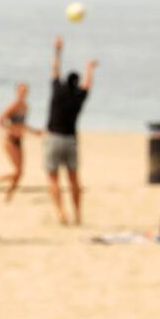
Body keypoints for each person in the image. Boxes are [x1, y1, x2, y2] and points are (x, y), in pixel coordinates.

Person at [44, 36, 96, 225]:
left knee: (53, 178)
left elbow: (54, 70)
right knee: (74, 179)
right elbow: (88, 84)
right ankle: (78, 214)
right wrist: (89, 68)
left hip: (54, 138)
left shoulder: (58, 91)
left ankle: (60, 213)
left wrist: (58, 50)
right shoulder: (79, 97)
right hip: (71, 140)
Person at [0, 82, 40, 201]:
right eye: (21, 90)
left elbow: (22, 124)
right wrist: (11, 129)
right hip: (10, 140)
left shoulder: (25, 106)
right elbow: (0, 120)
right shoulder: (14, 105)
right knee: (17, 171)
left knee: (20, 172)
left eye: (25, 91)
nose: (23, 93)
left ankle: (9, 195)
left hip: (19, 140)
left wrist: (34, 131)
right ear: (17, 92)